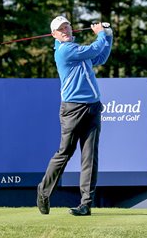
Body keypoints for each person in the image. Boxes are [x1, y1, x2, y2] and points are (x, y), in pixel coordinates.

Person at [36, 15, 113, 216]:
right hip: (73, 109)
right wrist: (101, 34)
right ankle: (43, 192)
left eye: (67, 27)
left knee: (90, 157)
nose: (66, 31)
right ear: (54, 35)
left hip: (93, 107)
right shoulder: (65, 51)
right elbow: (94, 48)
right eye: (61, 29)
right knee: (65, 153)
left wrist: (108, 36)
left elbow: (100, 57)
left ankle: (86, 204)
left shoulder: (76, 50)